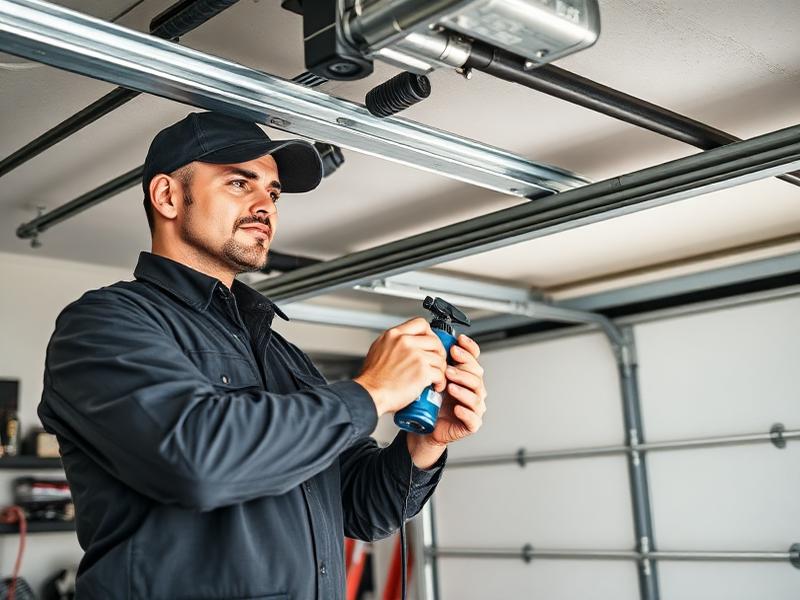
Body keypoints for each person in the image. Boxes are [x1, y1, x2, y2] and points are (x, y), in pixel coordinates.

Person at [38, 111, 487, 599]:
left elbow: (360, 509)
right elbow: (197, 461)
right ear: (167, 196)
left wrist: (425, 445)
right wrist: (372, 391)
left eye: (272, 193)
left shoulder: (282, 354)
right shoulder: (106, 323)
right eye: (239, 183)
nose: (266, 206)